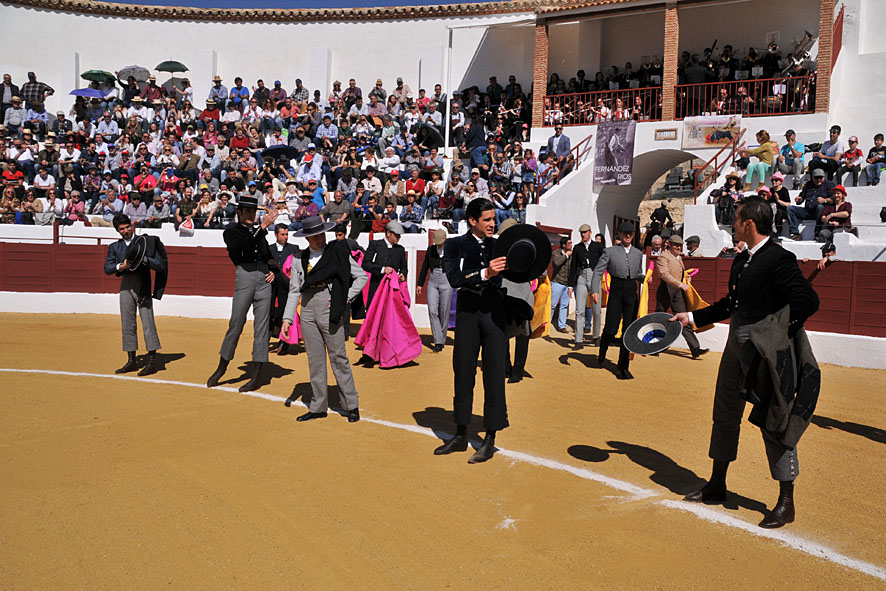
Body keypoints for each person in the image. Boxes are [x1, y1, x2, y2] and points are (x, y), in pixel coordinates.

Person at [672, 196, 819, 529]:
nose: (733, 224)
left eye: (736, 220)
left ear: (749, 224)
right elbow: (731, 304)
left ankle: (786, 502)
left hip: (763, 353)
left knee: (774, 418)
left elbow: (807, 300)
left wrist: (776, 335)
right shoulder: (742, 260)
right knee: (724, 412)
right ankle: (717, 484)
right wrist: (692, 317)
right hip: (735, 349)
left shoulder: (779, 259)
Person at [434, 198, 509, 464]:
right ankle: (460, 433)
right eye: (487, 219)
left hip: (494, 315)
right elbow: (455, 279)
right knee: (463, 372)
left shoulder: (500, 246)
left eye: (493, 219)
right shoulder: (455, 245)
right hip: (467, 316)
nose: (492, 224)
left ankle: (490, 438)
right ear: (472, 221)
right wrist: (485, 273)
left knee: (494, 374)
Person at [282, 216, 368, 423]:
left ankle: (351, 404)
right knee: (315, 359)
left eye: (322, 234)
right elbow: (294, 291)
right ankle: (318, 406)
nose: (320, 238)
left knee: (338, 357)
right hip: (307, 309)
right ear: (307, 238)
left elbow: (361, 276)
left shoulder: (336, 253)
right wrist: (287, 318)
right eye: (315, 236)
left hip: (329, 307)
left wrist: (344, 298)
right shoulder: (298, 259)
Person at [206, 195, 279, 392]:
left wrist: (273, 270)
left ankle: (256, 376)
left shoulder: (258, 232)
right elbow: (242, 248)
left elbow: (268, 255)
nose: (250, 214)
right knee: (236, 323)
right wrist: (262, 227)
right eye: (247, 211)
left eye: (253, 211)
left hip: (264, 280)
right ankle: (221, 368)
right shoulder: (232, 232)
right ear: (239, 212)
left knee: (262, 328)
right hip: (245, 277)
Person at [103, 213, 167, 377]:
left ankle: (152, 362)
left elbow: (160, 265)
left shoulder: (145, 242)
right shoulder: (115, 247)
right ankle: (131, 361)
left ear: (132, 226)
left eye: (127, 227)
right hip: (126, 285)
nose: (126, 231)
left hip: (142, 284)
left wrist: (144, 259)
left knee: (147, 322)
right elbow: (108, 268)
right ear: (117, 231)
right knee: (127, 323)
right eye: (122, 229)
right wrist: (121, 266)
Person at [592, 222, 644, 380]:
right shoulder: (610, 251)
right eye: (625, 233)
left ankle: (623, 367)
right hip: (616, 289)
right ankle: (602, 351)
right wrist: (595, 290)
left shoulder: (638, 254)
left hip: (631, 291)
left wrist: (645, 278)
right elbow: (598, 271)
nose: (628, 235)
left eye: (631, 233)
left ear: (633, 235)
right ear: (620, 234)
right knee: (611, 328)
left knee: (628, 329)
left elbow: (638, 273)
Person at [358, 220, 408, 365]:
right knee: (373, 318)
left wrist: (403, 274)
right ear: (388, 233)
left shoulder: (400, 249)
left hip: (392, 290)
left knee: (389, 320)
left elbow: (404, 267)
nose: (398, 238)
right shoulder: (375, 245)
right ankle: (369, 352)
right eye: (396, 235)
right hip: (377, 288)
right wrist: (382, 269)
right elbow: (366, 264)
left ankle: (385, 351)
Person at [655, 234, 708, 359]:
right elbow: (664, 274)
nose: (678, 248)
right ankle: (655, 346)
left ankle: (695, 349)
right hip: (665, 290)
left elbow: (679, 273)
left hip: (677, 291)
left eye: (680, 246)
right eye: (676, 245)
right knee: (659, 319)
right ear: (669, 244)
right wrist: (679, 284)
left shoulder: (678, 257)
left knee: (684, 318)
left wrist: (685, 278)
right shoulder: (663, 257)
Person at [416, 228, 452, 353]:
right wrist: (420, 284)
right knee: (432, 309)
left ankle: (441, 338)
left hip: (446, 280)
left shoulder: (451, 249)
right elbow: (425, 266)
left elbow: (456, 266)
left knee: (444, 310)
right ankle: (438, 341)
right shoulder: (431, 249)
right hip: (433, 280)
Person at [568, 223, 604, 348]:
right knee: (579, 310)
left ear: (590, 232)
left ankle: (596, 336)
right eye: (581, 233)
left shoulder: (598, 246)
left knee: (597, 310)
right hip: (582, 277)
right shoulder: (577, 248)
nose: (583, 234)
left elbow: (604, 262)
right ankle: (578, 340)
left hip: (595, 277)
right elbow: (573, 266)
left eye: (585, 232)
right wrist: (570, 285)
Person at [270, 223, 300, 355]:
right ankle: (267, 338)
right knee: (269, 311)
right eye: (282, 234)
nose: (285, 237)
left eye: (287, 234)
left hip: (286, 286)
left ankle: (284, 342)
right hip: (271, 285)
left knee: (285, 312)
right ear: (276, 235)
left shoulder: (294, 248)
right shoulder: (269, 249)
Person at [787, 168, 834, 240]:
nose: (819, 180)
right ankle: (795, 233)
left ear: (824, 177)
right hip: (807, 211)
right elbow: (802, 196)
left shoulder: (829, 185)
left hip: (821, 213)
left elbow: (834, 199)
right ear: (812, 177)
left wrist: (824, 200)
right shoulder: (808, 184)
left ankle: (818, 233)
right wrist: (799, 199)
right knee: (790, 209)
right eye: (816, 178)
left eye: (821, 177)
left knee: (820, 207)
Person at [549, 236, 571, 332]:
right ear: (563, 245)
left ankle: (562, 326)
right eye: (569, 243)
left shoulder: (572, 254)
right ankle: (546, 324)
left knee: (564, 305)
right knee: (552, 305)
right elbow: (557, 263)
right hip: (557, 282)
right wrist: (566, 256)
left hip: (567, 283)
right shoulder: (556, 253)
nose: (571, 245)